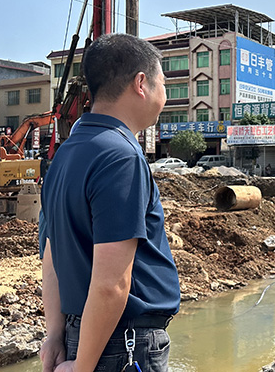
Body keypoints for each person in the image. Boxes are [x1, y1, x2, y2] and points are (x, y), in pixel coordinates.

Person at [39, 33, 180, 372]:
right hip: (122, 343)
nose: (165, 94)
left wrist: (56, 333)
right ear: (141, 83)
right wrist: (84, 367)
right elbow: (112, 283)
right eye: (163, 83)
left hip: (85, 334)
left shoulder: (65, 155)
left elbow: (51, 256)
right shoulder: (120, 157)